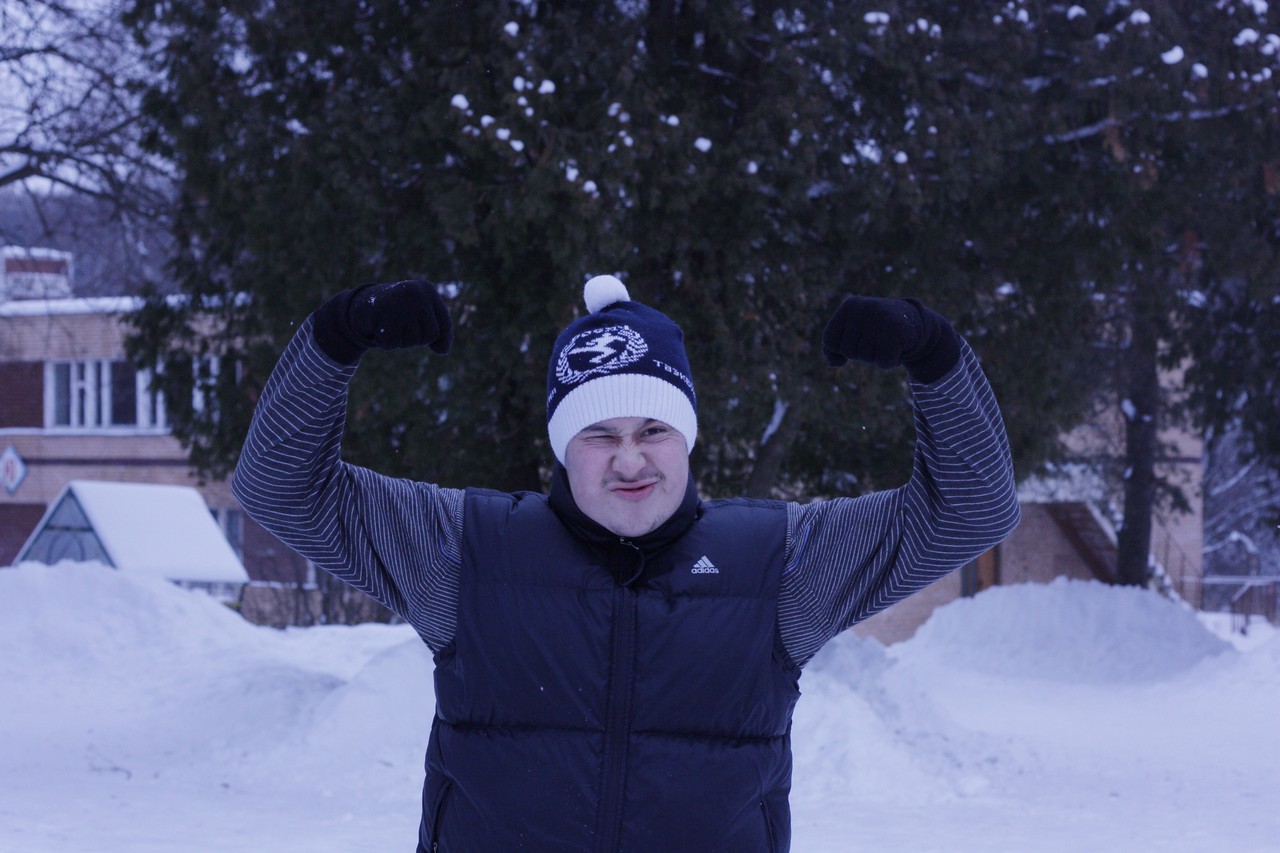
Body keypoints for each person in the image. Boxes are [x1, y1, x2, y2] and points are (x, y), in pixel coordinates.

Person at [232, 274, 1020, 852]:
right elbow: (279, 485)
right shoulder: (464, 549)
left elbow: (973, 509)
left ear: (687, 436)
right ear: (563, 447)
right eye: (600, 435)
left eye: (654, 430)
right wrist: (335, 336)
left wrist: (935, 355)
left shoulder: (781, 564)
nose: (631, 459)